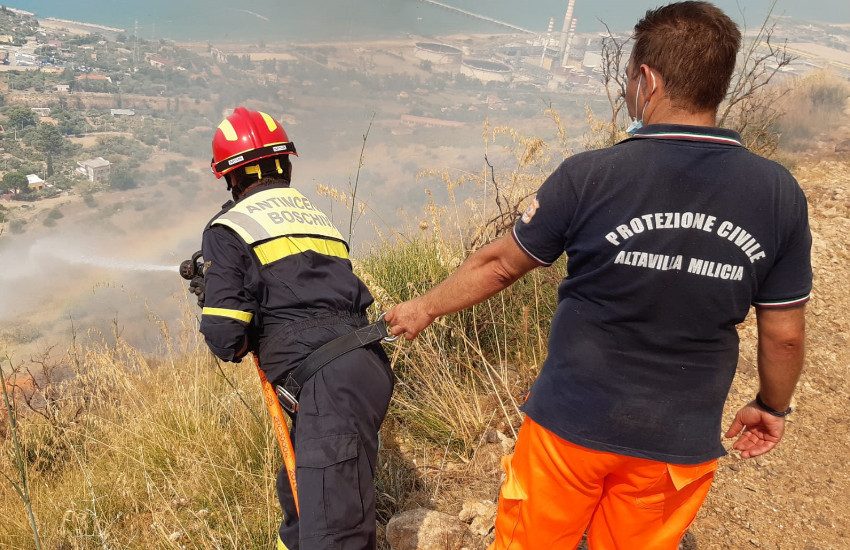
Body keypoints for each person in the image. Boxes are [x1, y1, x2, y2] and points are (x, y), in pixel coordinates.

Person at [385, 2, 811, 548]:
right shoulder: (778, 194)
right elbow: (785, 335)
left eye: (630, 77)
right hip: (677, 439)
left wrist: (422, 308)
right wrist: (772, 406)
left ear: (647, 80)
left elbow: (496, 267)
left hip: (570, 425)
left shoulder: (590, 176)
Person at [193, 106, 393, 550]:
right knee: (303, 506)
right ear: (284, 164)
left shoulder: (228, 228)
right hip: (364, 367)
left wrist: (215, 296)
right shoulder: (313, 217)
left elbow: (227, 338)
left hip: (326, 383)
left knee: (334, 537)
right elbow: (304, 298)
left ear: (232, 178)